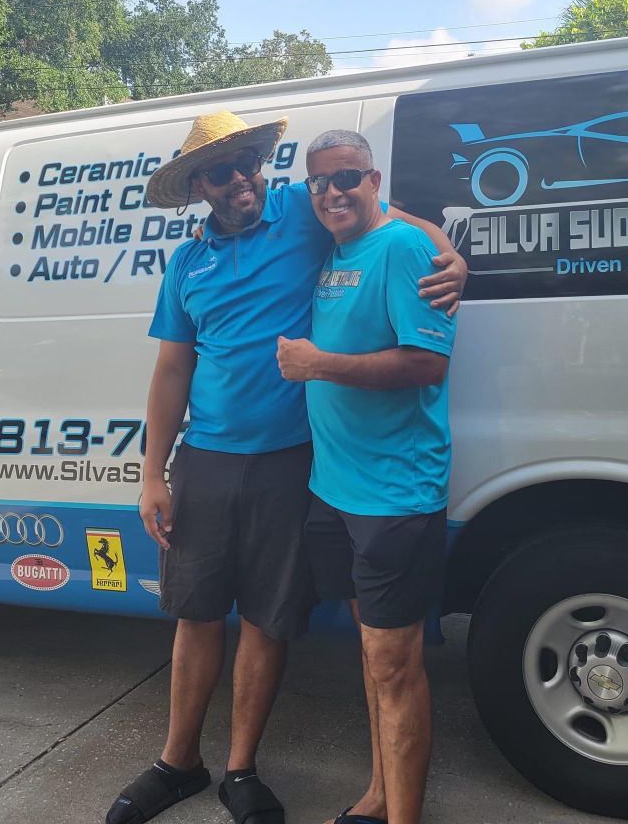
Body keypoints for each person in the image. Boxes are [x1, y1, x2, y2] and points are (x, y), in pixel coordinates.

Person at [106, 111, 466, 824]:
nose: (240, 178)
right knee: (197, 614)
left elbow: (388, 213)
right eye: (221, 170)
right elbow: (172, 370)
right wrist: (152, 472)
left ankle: (241, 771)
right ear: (199, 186)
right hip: (207, 458)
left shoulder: (304, 205)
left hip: (293, 460)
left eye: (248, 162)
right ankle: (178, 763)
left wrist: (452, 255)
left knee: (266, 621)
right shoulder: (187, 264)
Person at [276, 129, 457, 824]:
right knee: (373, 654)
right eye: (319, 182)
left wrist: (318, 364)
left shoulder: (401, 249)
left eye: (347, 177)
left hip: (393, 494)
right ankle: (380, 796)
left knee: (395, 665)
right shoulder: (336, 247)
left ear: (374, 180)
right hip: (335, 490)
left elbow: (426, 364)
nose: (332, 192)